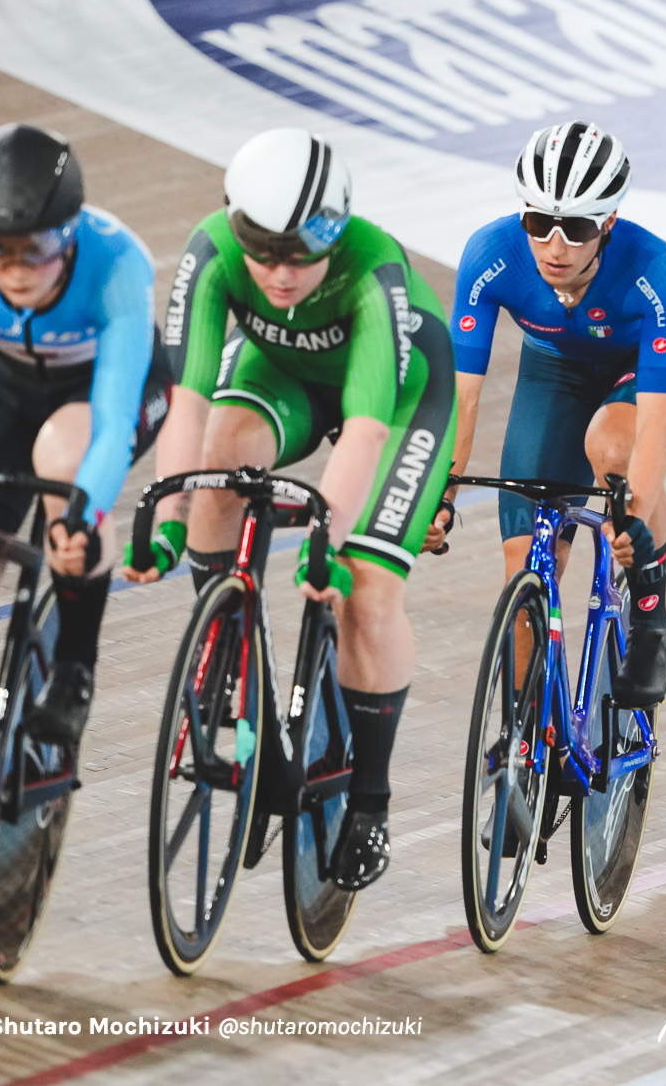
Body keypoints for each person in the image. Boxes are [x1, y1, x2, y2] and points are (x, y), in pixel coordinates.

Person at [126, 128, 457, 891]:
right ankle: (228, 652)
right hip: (286, 372)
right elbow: (187, 405)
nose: (278, 273)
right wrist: (173, 520)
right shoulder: (209, 256)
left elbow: (368, 429)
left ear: (335, 233)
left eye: (301, 252)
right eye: (262, 250)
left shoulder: (374, 272)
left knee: (364, 592)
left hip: (401, 398)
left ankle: (370, 802)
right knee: (217, 460)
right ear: (234, 225)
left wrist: (328, 541)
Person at [424, 122, 666, 707]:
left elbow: (655, 422)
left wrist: (630, 513)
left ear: (607, 224)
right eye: (538, 224)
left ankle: (650, 617)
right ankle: (525, 746)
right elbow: (462, 397)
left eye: (577, 229)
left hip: (655, 363)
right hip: (555, 371)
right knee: (526, 575)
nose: (555, 248)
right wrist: (443, 495)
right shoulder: (491, 254)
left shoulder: (655, 266)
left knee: (612, 443)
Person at [0, 124, 170, 747]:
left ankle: (73, 668)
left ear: (68, 235)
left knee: (64, 464)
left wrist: (83, 512)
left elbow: (113, 417)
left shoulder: (117, 264)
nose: (15, 271)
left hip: (102, 388)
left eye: (35, 249)